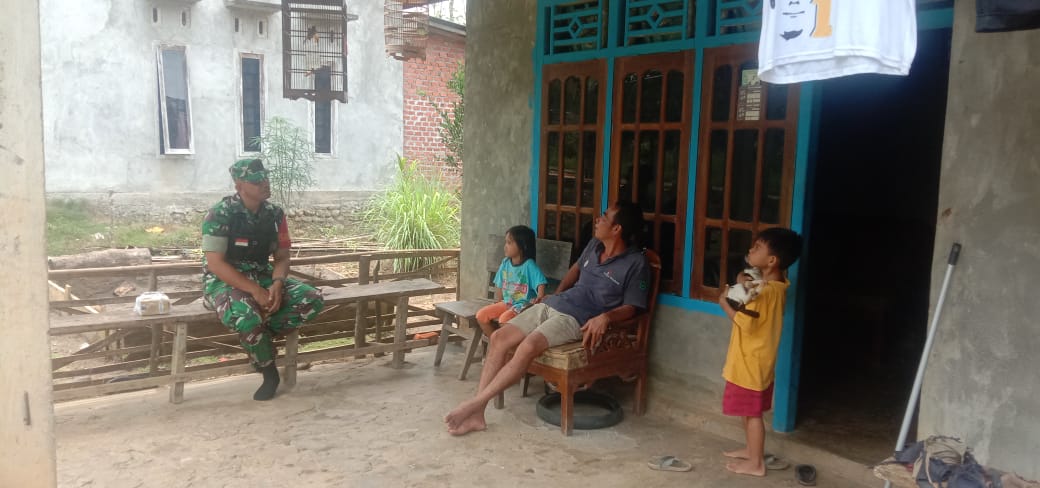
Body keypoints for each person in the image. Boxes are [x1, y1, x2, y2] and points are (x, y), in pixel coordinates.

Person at [444, 201, 650, 436]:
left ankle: (474, 404)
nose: (597, 219)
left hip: (576, 318)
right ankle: (478, 412)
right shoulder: (594, 246)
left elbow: (633, 307)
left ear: (616, 229)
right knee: (499, 338)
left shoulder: (636, 263)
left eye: (604, 217)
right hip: (554, 304)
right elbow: (575, 271)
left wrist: (605, 317)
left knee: (528, 346)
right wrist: (558, 293)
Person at [201, 158, 325, 401]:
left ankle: (259, 339)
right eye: (257, 181)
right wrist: (255, 291)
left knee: (312, 299)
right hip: (224, 280)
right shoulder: (220, 214)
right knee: (247, 318)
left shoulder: (275, 215)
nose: (265, 184)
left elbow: (282, 257)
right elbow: (215, 264)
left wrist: (277, 283)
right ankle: (269, 372)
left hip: (262, 275)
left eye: (265, 178)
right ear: (239, 186)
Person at [716, 227, 802, 476]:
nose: (750, 250)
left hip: (749, 362)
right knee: (747, 410)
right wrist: (743, 278)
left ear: (772, 260)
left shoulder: (763, 293)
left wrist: (724, 303)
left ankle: (756, 463)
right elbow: (748, 276)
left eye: (757, 248)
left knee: (752, 414)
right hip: (758, 361)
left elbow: (745, 322)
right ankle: (751, 450)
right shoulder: (776, 285)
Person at [474, 226, 548, 337]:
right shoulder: (505, 263)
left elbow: (540, 282)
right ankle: (496, 342)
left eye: (509, 243)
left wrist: (539, 300)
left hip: (523, 306)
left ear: (523, 245)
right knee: (481, 316)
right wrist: (498, 302)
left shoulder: (529, 265)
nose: (505, 246)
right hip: (507, 303)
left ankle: (507, 345)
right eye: (506, 242)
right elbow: (499, 284)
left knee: (504, 319)